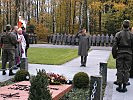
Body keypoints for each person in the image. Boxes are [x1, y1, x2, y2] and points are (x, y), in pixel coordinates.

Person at [112, 20, 133, 92]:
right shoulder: (131, 35)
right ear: (129, 26)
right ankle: (124, 86)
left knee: (119, 69)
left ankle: (119, 85)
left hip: (120, 53)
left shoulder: (118, 34)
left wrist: (114, 54)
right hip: (129, 54)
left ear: (122, 25)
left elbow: (114, 46)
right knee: (127, 70)